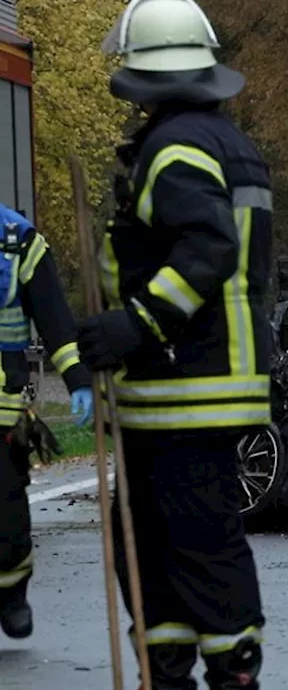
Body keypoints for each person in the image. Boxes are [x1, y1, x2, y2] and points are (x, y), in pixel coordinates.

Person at [77, 0, 273, 690]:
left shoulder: (175, 149)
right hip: (203, 387)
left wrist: (135, 325)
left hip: (180, 387)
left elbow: (207, 249)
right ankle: (188, 670)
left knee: (186, 550)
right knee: (172, 549)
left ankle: (208, 675)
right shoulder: (227, 143)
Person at [0, 203, 94, 639]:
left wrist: (77, 378)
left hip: (1, 406)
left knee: (7, 516)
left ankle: (11, 590)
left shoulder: (16, 239)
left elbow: (54, 318)